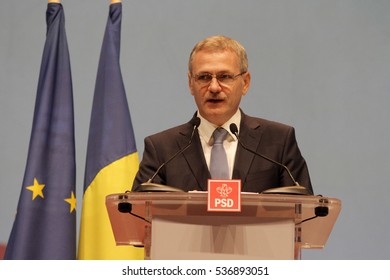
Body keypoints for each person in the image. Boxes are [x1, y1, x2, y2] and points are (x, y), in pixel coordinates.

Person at [132, 35, 313, 194]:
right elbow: (138, 218)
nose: (214, 87)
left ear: (245, 82)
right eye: (203, 77)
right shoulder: (162, 149)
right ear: (190, 83)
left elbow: (304, 215)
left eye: (225, 77)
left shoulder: (278, 142)